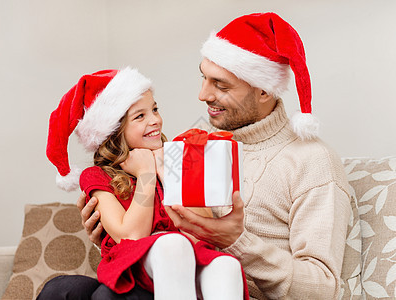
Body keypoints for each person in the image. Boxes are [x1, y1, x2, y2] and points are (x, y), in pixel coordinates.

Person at [79, 12, 353, 299]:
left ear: (263, 90)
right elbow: (159, 234)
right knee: (63, 290)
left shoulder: (312, 161)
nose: (202, 94)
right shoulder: (191, 143)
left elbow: (323, 289)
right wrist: (111, 235)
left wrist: (237, 241)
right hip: (176, 282)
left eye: (220, 85)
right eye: (204, 78)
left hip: (229, 287)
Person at [41, 67, 247, 300]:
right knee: (172, 244)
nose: (155, 120)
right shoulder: (97, 176)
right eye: (140, 116)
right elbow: (132, 236)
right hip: (137, 265)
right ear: (114, 131)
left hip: (186, 262)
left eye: (155, 109)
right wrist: (147, 174)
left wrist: (168, 173)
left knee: (225, 266)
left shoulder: (177, 158)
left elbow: (202, 232)